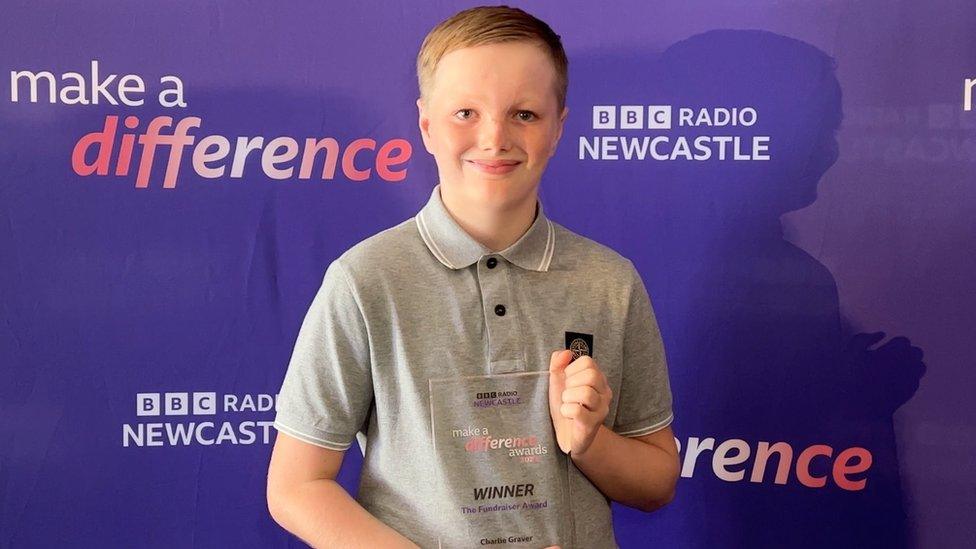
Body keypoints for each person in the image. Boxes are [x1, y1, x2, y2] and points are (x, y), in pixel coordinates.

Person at [266, 6, 679, 548]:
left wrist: (590, 441)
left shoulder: (609, 282)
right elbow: (296, 486)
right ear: (426, 126)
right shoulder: (364, 280)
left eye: (524, 114)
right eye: (466, 112)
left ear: (558, 128)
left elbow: (657, 482)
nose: (494, 137)